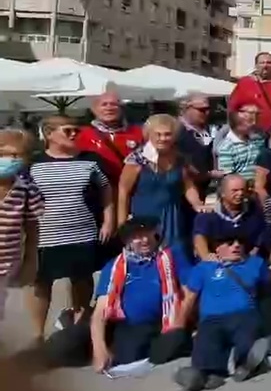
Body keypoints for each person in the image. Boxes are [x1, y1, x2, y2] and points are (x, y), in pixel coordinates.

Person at [27, 115, 115, 340]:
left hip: (82, 230)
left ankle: (79, 327)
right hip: (44, 235)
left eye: (77, 130)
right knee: (41, 282)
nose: (75, 134)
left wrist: (108, 221)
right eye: (68, 130)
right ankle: (37, 334)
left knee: (82, 279)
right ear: (49, 134)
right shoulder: (33, 162)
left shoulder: (90, 160)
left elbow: (107, 190)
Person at [85, 217, 191, 372]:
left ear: (155, 233)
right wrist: (99, 349)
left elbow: (190, 293)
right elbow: (100, 311)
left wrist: (180, 321)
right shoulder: (114, 266)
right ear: (127, 240)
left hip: (164, 322)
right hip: (127, 326)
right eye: (136, 236)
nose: (144, 240)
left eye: (147, 233)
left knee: (173, 340)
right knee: (129, 354)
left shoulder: (172, 256)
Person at [173, 235, 271, 391]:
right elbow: (189, 299)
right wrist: (177, 327)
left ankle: (246, 364)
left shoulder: (255, 263)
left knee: (247, 335)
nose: (237, 245)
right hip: (212, 319)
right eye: (230, 243)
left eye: (240, 242)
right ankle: (202, 375)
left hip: (244, 314)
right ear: (217, 248)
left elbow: (270, 292)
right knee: (207, 339)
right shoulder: (203, 268)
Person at [118, 114, 204, 256]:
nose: (162, 138)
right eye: (158, 134)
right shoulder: (137, 160)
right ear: (149, 135)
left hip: (172, 216)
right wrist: (122, 224)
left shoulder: (179, 158)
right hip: (144, 215)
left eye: (167, 134)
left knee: (175, 257)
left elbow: (188, 186)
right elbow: (123, 192)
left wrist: (197, 204)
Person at [0, 129, 43, 291]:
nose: (10, 160)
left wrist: (31, 263)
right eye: (3, 154)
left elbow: (32, 230)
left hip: (6, 268)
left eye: (17, 156)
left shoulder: (27, 190)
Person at [192, 175, 271, 260]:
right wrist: (206, 257)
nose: (240, 193)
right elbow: (199, 239)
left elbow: (260, 240)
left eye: (242, 190)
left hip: (245, 263)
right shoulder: (208, 215)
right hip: (216, 265)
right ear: (223, 193)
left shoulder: (254, 213)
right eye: (235, 190)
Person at [230, 52, 271, 132]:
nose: (265, 66)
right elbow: (232, 108)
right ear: (256, 65)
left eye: (269, 63)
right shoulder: (245, 83)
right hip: (253, 131)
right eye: (262, 63)